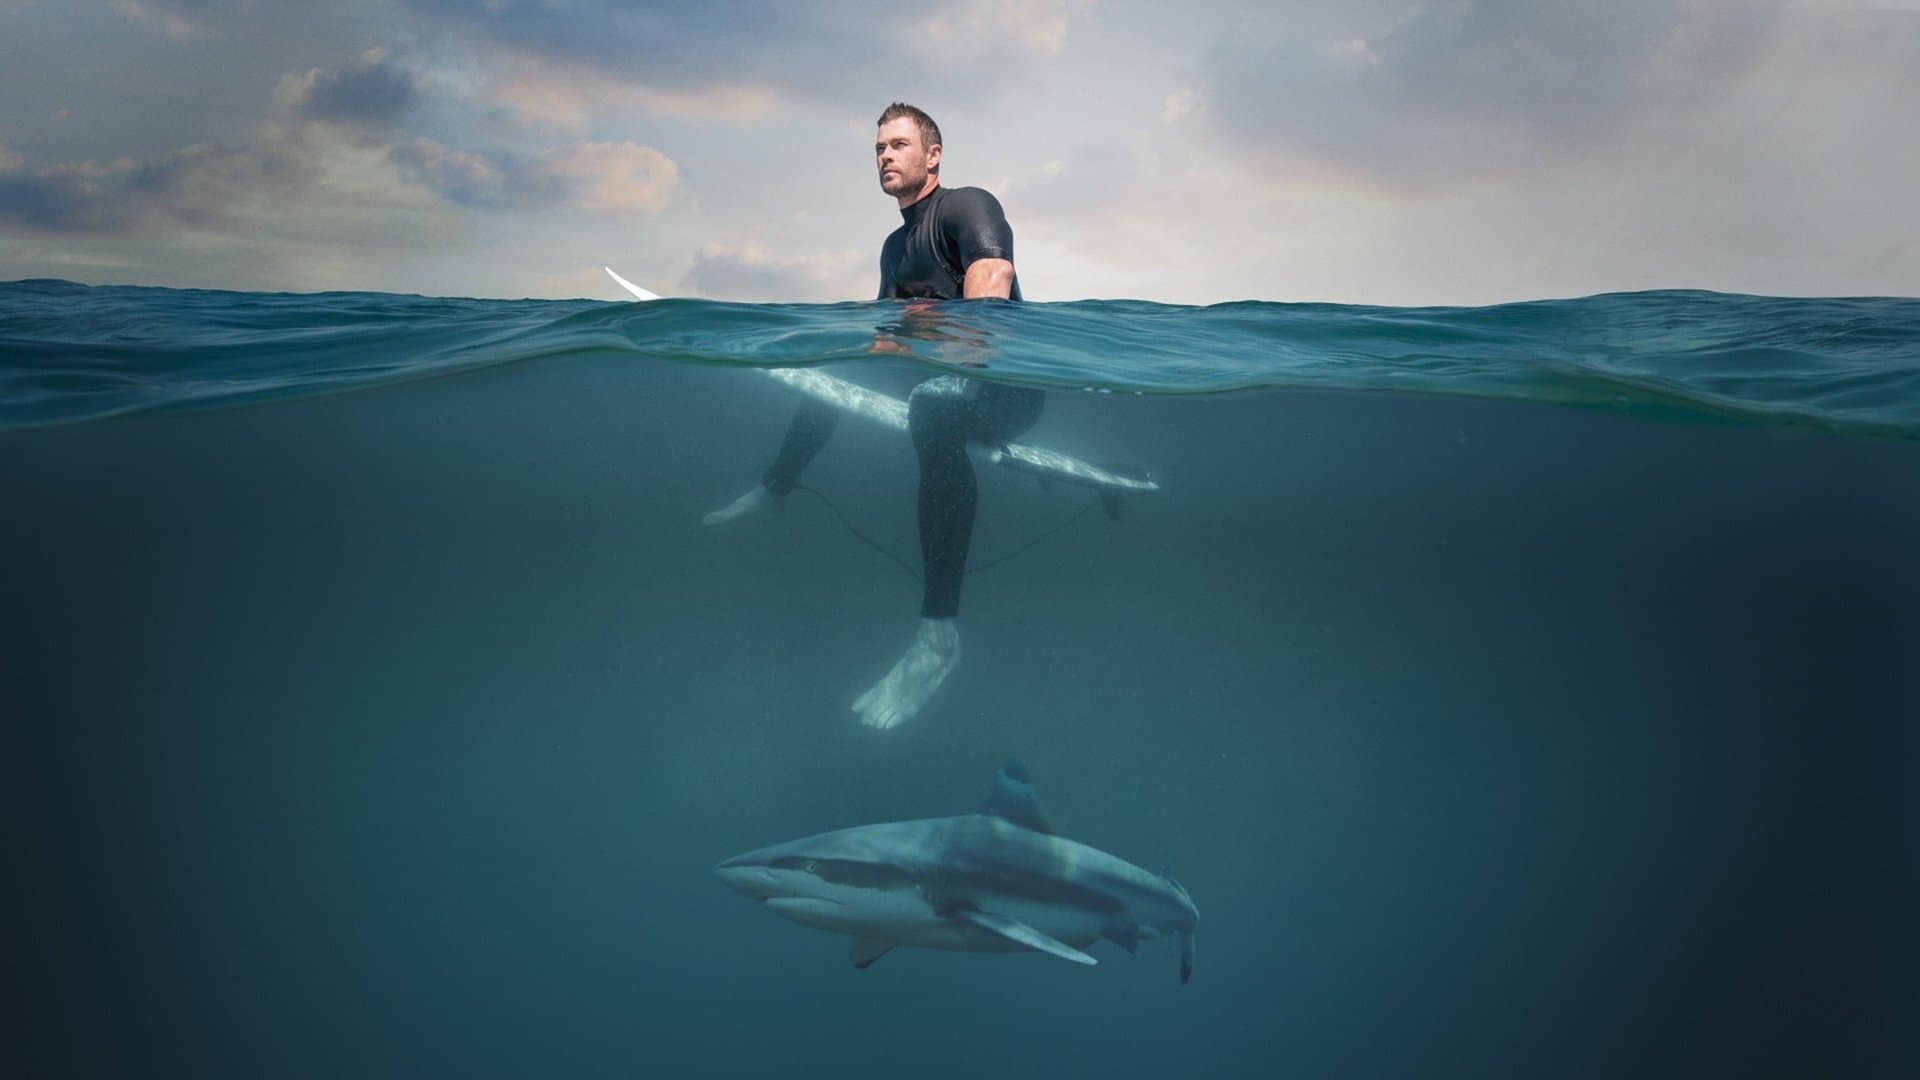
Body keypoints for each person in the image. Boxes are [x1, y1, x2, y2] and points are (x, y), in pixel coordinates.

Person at [704, 102, 1043, 731]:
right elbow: (884, 337)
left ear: (932, 155)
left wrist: (956, 365)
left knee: (932, 408)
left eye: (897, 144)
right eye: (877, 148)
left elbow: (992, 277)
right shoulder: (894, 247)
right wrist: (832, 352)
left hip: (1010, 389)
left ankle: (939, 633)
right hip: (943, 379)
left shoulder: (967, 205)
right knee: (836, 379)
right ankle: (778, 485)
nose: (884, 155)